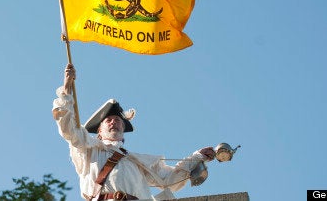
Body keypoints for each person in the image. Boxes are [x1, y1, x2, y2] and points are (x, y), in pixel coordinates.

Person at [52, 64, 215, 200]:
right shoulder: (88, 150)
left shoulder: (137, 161)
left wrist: (197, 157)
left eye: (118, 120)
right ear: (99, 132)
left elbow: (170, 180)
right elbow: (69, 130)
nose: (113, 122)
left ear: (123, 130)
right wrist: (67, 90)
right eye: (108, 120)